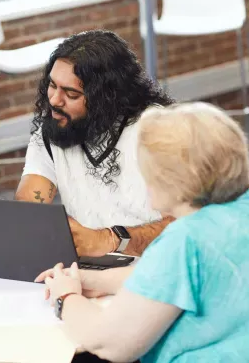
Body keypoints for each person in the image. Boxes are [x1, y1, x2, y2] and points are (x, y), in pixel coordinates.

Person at [38, 102, 249, 362]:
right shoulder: (238, 212)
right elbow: (170, 277)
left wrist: (65, 296)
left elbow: (109, 343)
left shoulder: (185, 239)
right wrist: (93, 280)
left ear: (172, 180)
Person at [15, 30, 175, 257]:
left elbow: (190, 225)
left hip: (158, 268)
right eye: (52, 85)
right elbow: (28, 206)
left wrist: (111, 240)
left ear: (106, 98)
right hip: (91, 271)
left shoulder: (159, 130)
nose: (54, 100)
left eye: (71, 93)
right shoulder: (53, 129)